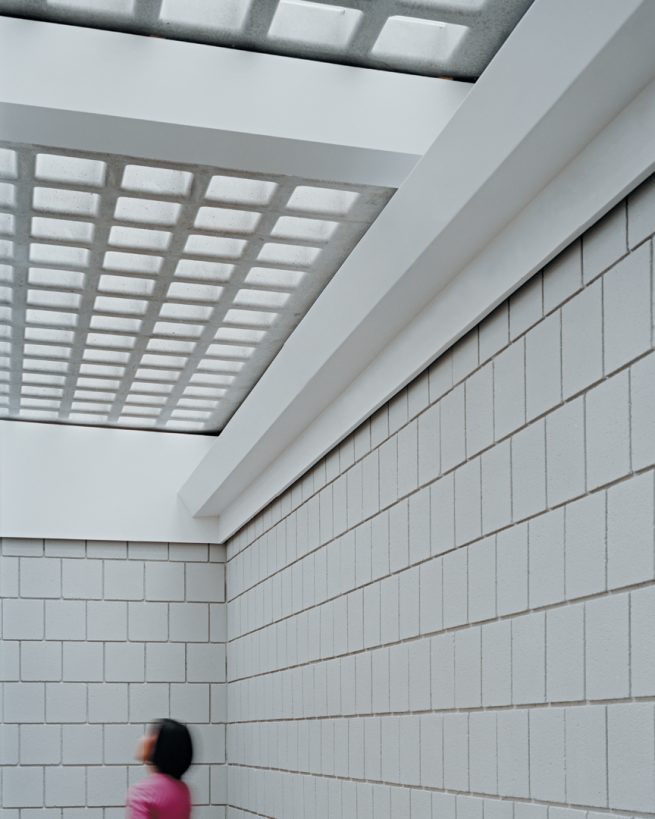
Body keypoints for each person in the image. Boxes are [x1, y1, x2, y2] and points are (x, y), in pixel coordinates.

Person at [127, 718, 193, 818]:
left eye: (149, 734)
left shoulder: (142, 792)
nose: (142, 739)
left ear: (156, 745)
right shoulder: (184, 789)